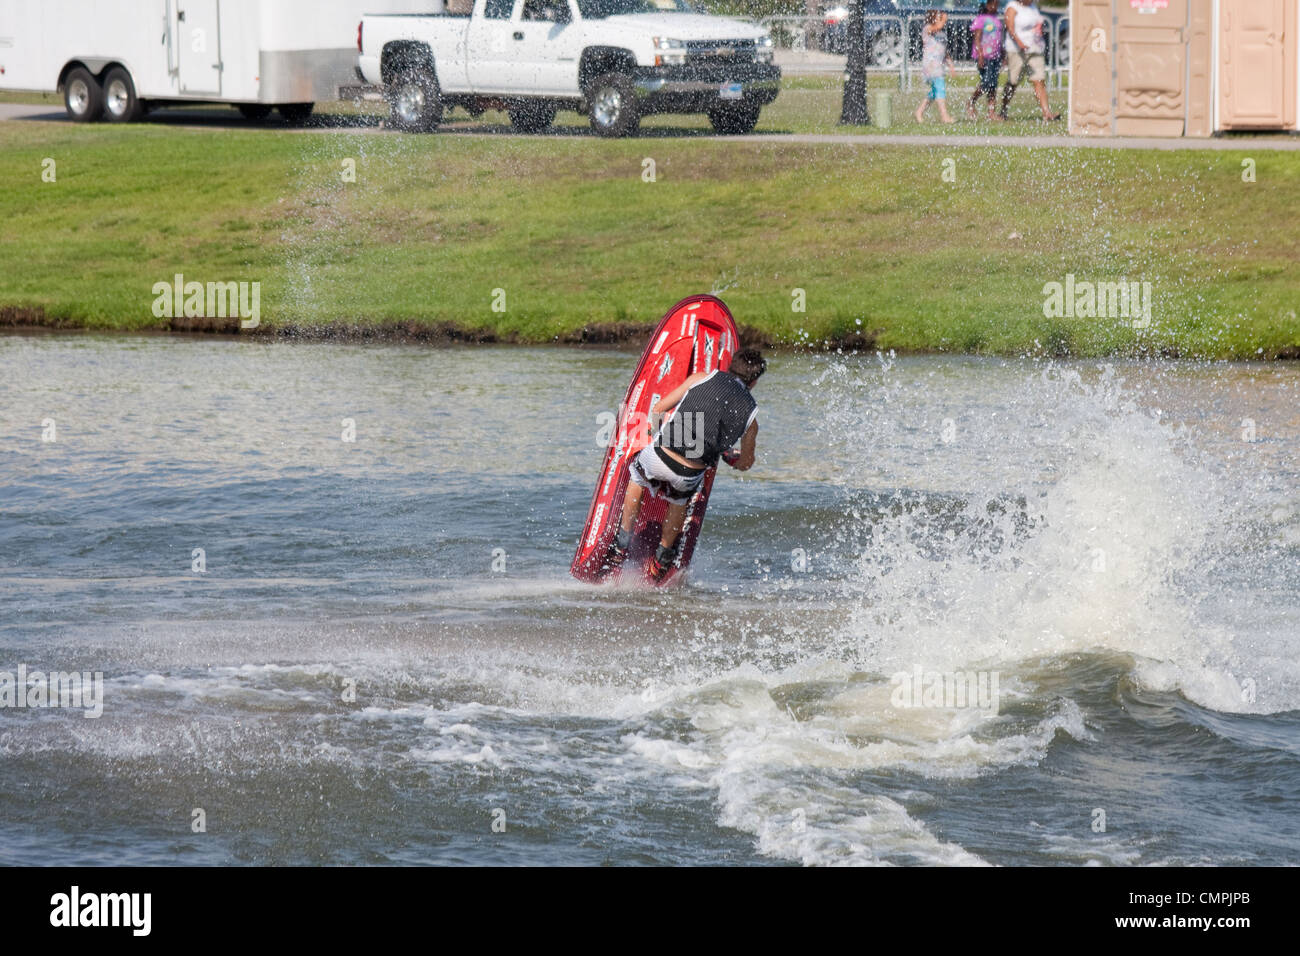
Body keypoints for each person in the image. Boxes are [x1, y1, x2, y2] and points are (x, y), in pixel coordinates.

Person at [601, 348, 766, 582]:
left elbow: (658, 410)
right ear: (755, 382)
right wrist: (735, 461)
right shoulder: (752, 418)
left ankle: (621, 544)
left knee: (637, 477)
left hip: (659, 457)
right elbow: (746, 463)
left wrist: (656, 434)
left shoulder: (701, 377)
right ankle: (662, 557)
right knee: (679, 499)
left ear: (730, 366)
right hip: (688, 474)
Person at [999, 0, 1061, 121]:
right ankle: (1003, 110)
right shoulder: (1012, 7)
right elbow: (1010, 27)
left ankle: (1047, 113)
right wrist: (1019, 43)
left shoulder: (1032, 6)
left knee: (1039, 80)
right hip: (1017, 50)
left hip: (1035, 48)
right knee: (1013, 82)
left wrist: (1040, 28)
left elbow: (1037, 23)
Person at [914, 10, 956, 125]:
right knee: (940, 88)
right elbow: (937, 27)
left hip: (939, 65)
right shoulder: (927, 29)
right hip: (931, 65)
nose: (942, 20)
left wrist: (950, 64)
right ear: (932, 18)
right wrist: (943, 19)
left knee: (934, 92)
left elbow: (943, 50)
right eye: (939, 17)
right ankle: (944, 116)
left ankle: (919, 112)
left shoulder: (941, 33)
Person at [967, 0, 1005, 121]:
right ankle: (971, 101)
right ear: (986, 6)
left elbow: (999, 39)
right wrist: (980, 55)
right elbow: (977, 38)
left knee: (993, 85)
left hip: (995, 56)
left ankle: (991, 112)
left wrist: (1003, 55)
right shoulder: (981, 19)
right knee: (986, 83)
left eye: (997, 4)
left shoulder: (996, 20)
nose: (995, 7)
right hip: (984, 57)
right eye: (993, 4)